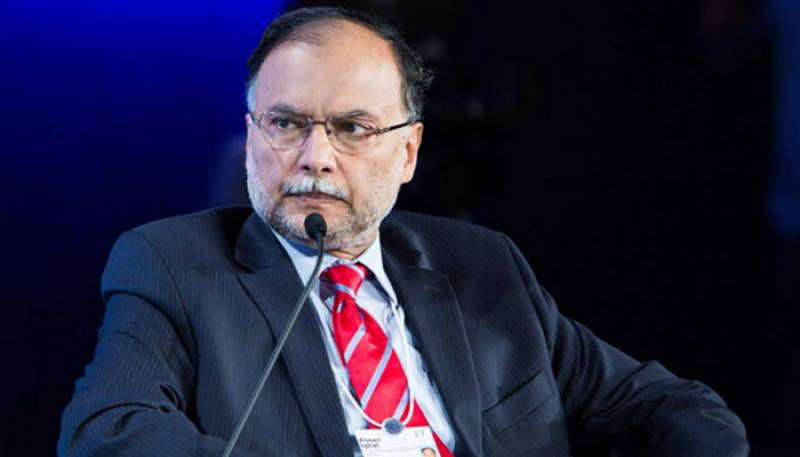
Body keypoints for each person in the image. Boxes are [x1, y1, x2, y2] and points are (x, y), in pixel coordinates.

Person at [58, 6, 748, 457]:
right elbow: (108, 434)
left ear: (409, 151)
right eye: (286, 123)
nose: (314, 156)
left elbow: (674, 406)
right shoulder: (174, 266)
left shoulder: (482, 265)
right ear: (250, 135)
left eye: (351, 128)